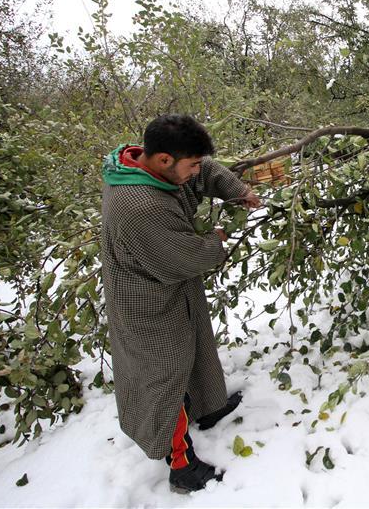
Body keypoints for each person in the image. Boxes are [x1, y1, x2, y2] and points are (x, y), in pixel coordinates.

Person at [99, 114, 261, 494]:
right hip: (145, 299)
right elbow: (185, 256)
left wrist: (237, 190)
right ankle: (181, 465)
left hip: (168, 285)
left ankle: (207, 407)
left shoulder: (150, 167)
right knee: (164, 372)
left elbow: (205, 169)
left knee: (195, 346)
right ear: (164, 160)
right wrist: (217, 239)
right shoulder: (139, 205)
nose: (195, 172)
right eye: (189, 165)